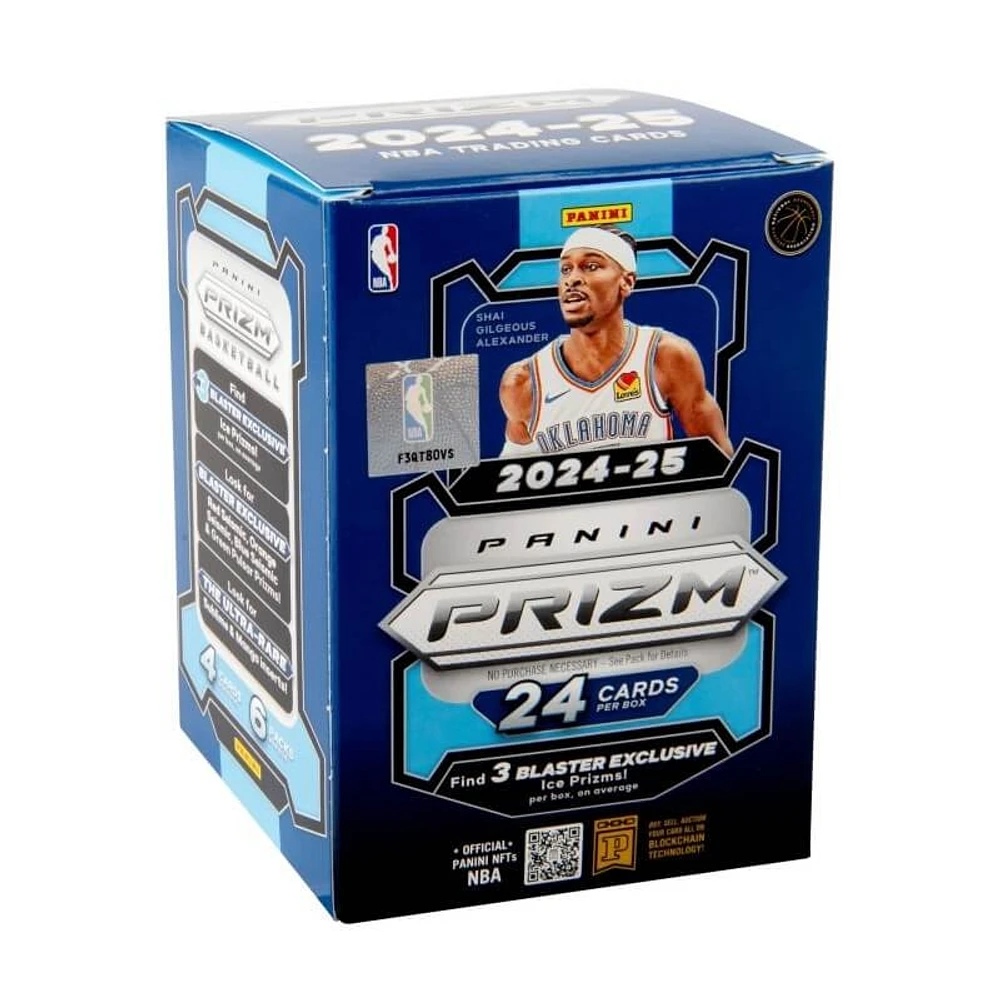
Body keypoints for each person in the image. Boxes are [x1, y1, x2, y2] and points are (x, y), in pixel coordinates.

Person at [499, 227, 733, 457]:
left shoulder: (665, 356)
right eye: (566, 269)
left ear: (627, 282)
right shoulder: (523, 382)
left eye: (591, 266)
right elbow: (507, 478)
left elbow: (719, 460)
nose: (573, 279)